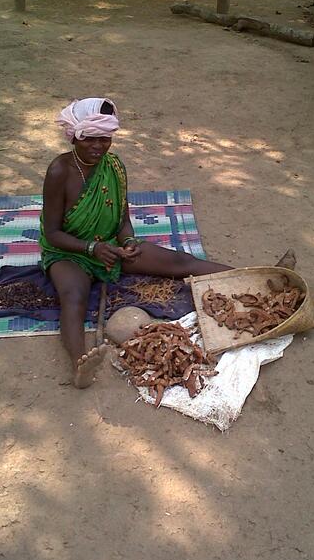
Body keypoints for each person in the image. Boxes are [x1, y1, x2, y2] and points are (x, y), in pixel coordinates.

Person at [40, 97, 295, 388]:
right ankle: (79, 366)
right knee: (73, 297)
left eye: (105, 139)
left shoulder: (114, 166)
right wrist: (91, 248)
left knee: (181, 262)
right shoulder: (59, 171)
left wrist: (130, 241)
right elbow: (52, 233)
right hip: (68, 251)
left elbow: (123, 219)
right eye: (90, 139)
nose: (98, 146)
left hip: (110, 245)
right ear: (75, 136)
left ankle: (264, 279)